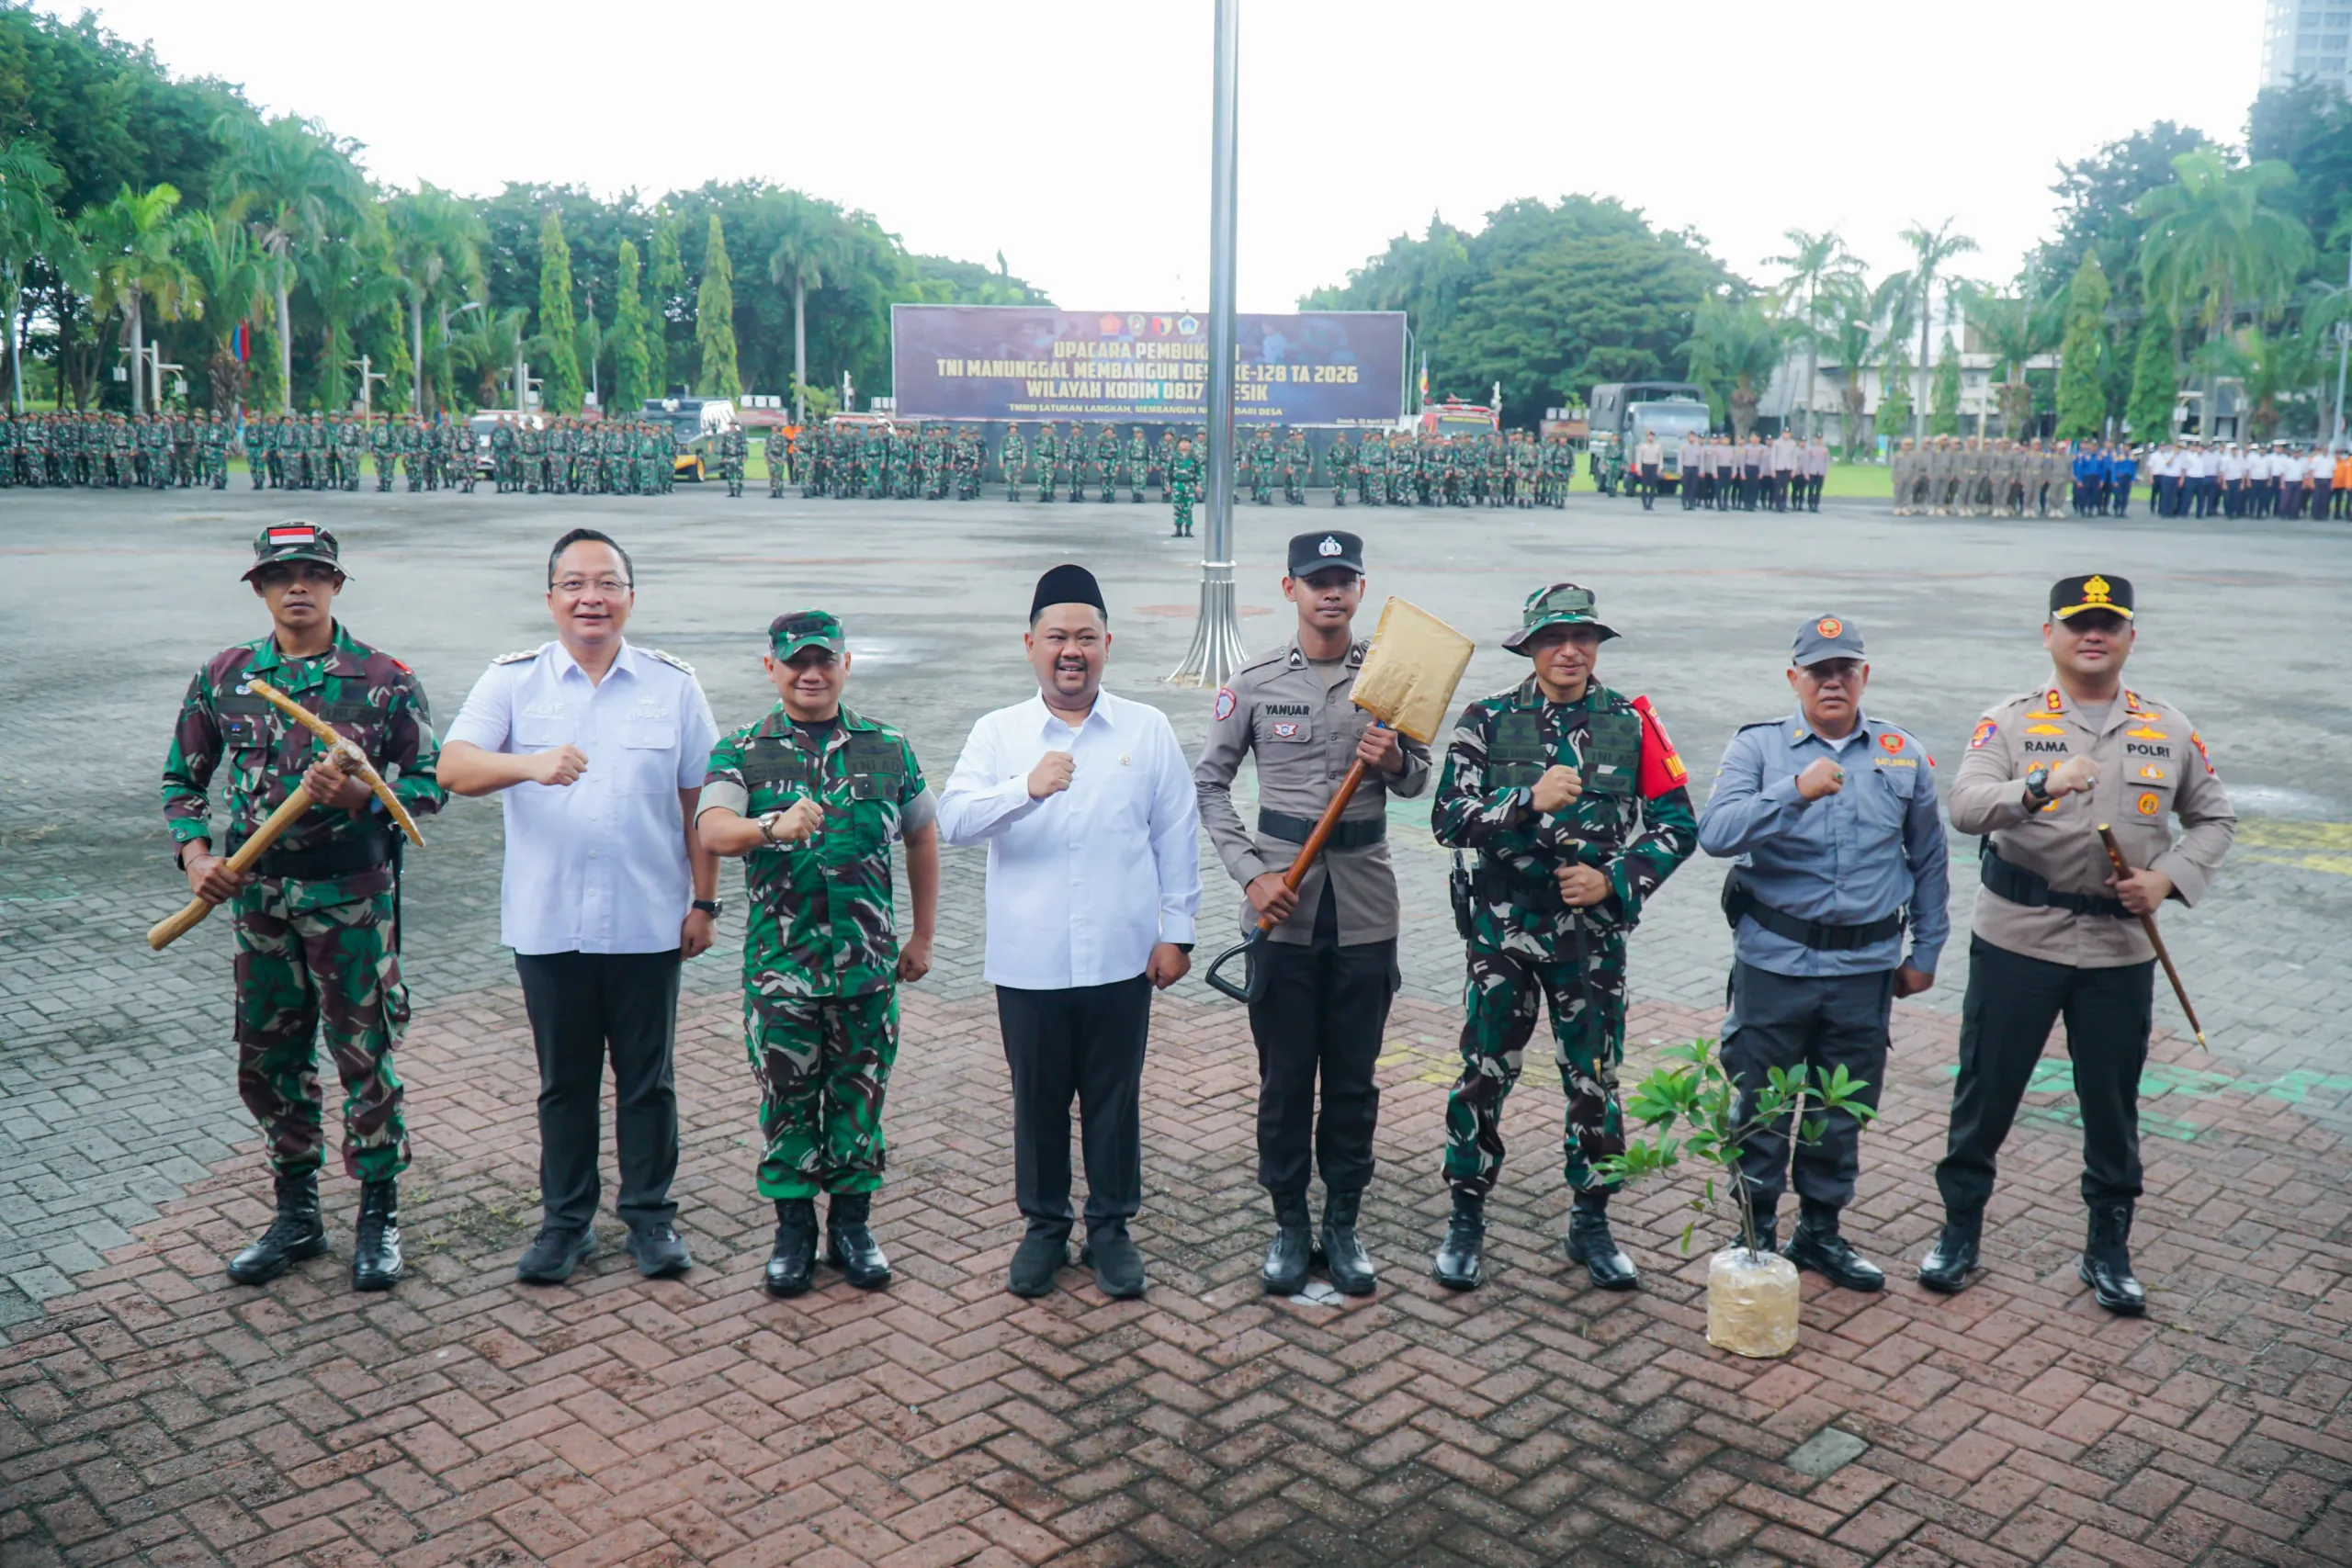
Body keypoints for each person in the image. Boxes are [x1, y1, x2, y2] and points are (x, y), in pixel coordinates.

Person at [1921, 574, 2235, 1314]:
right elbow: (1964, 806)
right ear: (2049, 634)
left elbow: (2214, 820)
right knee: (1986, 1090)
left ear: (2130, 635)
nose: (2092, 635)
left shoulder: (2170, 727)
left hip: (2119, 948)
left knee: (2112, 1101)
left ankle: (2109, 1246)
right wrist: (2036, 784)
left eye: (2108, 623)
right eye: (2078, 623)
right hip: (2017, 940)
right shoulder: (2008, 720)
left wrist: (2166, 881)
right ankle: (1959, 1231)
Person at [162, 524, 446, 1292]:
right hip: (256, 896)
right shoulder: (225, 676)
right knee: (269, 1058)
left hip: (350, 898)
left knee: (364, 1056)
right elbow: (181, 783)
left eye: (314, 574)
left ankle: (377, 1214)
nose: (298, 587)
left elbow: (427, 783)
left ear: (336, 585)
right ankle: (297, 1212)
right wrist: (197, 857)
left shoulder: (383, 678)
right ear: (258, 587)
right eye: (281, 574)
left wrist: (359, 792)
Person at [437, 529, 721, 1285]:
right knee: (564, 1083)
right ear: (551, 597)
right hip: (550, 920)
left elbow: (703, 801)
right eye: (574, 583)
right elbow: (453, 767)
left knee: (647, 1080)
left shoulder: (673, 685)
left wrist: (705, 901)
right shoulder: (513, 681)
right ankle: (566, 1222)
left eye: (607, 582)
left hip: (648, 918)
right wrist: (530, 763)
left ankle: (651, 1216)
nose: (590, 596)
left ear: (631, 596)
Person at [936, 565, 1200, 1301]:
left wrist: (1176, 933)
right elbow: (952, 820)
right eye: (1057, 637)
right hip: (1031, 961)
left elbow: (1176, 834)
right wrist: (1024, 788)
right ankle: (1045, 1227)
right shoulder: (1000, 733)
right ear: (1030, 644)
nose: (1071, 650)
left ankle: (1111, 1227)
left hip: (1122, 957)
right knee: (1039, 1099)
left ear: (1108, 644)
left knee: (1115, 1099)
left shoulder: (1146, 729)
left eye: (1085, 636)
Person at [1428, 583, 1698, 1292]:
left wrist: (1617, 879)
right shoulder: (1486, 719)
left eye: (1584, 636)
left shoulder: (1633, 724)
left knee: (1595, 1080)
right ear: (1531, 646)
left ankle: (1592, 1218)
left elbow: (1678, 824)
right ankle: (1466, 1213)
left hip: (1590, 938)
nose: (1571, 650)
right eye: (1555, 637)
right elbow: (1447, 818)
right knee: (1485, 1072)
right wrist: (1525, 800)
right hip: (1503, 934)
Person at [1193, 532, 1430, 1297]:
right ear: (1289, 588)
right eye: (1315, 581)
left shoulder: (1391, 681)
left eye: (1343, 580)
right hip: (1283, 910)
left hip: (1365, 907)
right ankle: (1291, 1222)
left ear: (1360, 590)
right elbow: (1210, 785)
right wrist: (1251, 876)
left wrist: (1394, 759)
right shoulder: (1255, 681)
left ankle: (1344, 1224)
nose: (1331, 593)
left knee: (1355, 1079)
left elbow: (1418, 780)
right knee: (1287, 1078)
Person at [1696, 615, 1949, 1289]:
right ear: (1794, 678)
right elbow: (1715, 832)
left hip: (1864, 969)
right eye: (1818, 670)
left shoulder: (1902, 753)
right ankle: (1755, 1231)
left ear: (1864, 675)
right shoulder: (1760, 748)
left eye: (1845, 669)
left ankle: (1821, 1232)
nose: (1832, 680)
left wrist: (1927, 949)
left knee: (1842, 1111)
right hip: (1775, 961)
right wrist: (1793, 790)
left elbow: (1929, 859)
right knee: (1762, 1106)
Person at [696, 611, 939, 1297]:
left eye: (823, 660)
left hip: (868, 971)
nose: (810, 673)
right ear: (770, 668)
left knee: (860, 1100)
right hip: (783, 974)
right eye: (795, 661)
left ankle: (853, 1227)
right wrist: (770, 825)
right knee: (787, 1103)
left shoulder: (887, 747)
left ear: (846, 664)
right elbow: (713, 830)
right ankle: (794, 1230)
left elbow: (922, 835)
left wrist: (921, 935)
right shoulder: (741, 749)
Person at [1632, 429, 1662, 511]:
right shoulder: (1643, 447)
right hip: (1645, 466)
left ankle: (1650, 503)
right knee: (1644, 487)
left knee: (1652, 487)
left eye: (1652, 436)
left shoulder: (1657, 447)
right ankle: (1645, 503)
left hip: (1654, 466)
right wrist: (1639, 469)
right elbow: (1639, 458)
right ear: (1647, 437)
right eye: (1649, 436)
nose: (1650, 438)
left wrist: (1660, 468)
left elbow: (1660, 458)